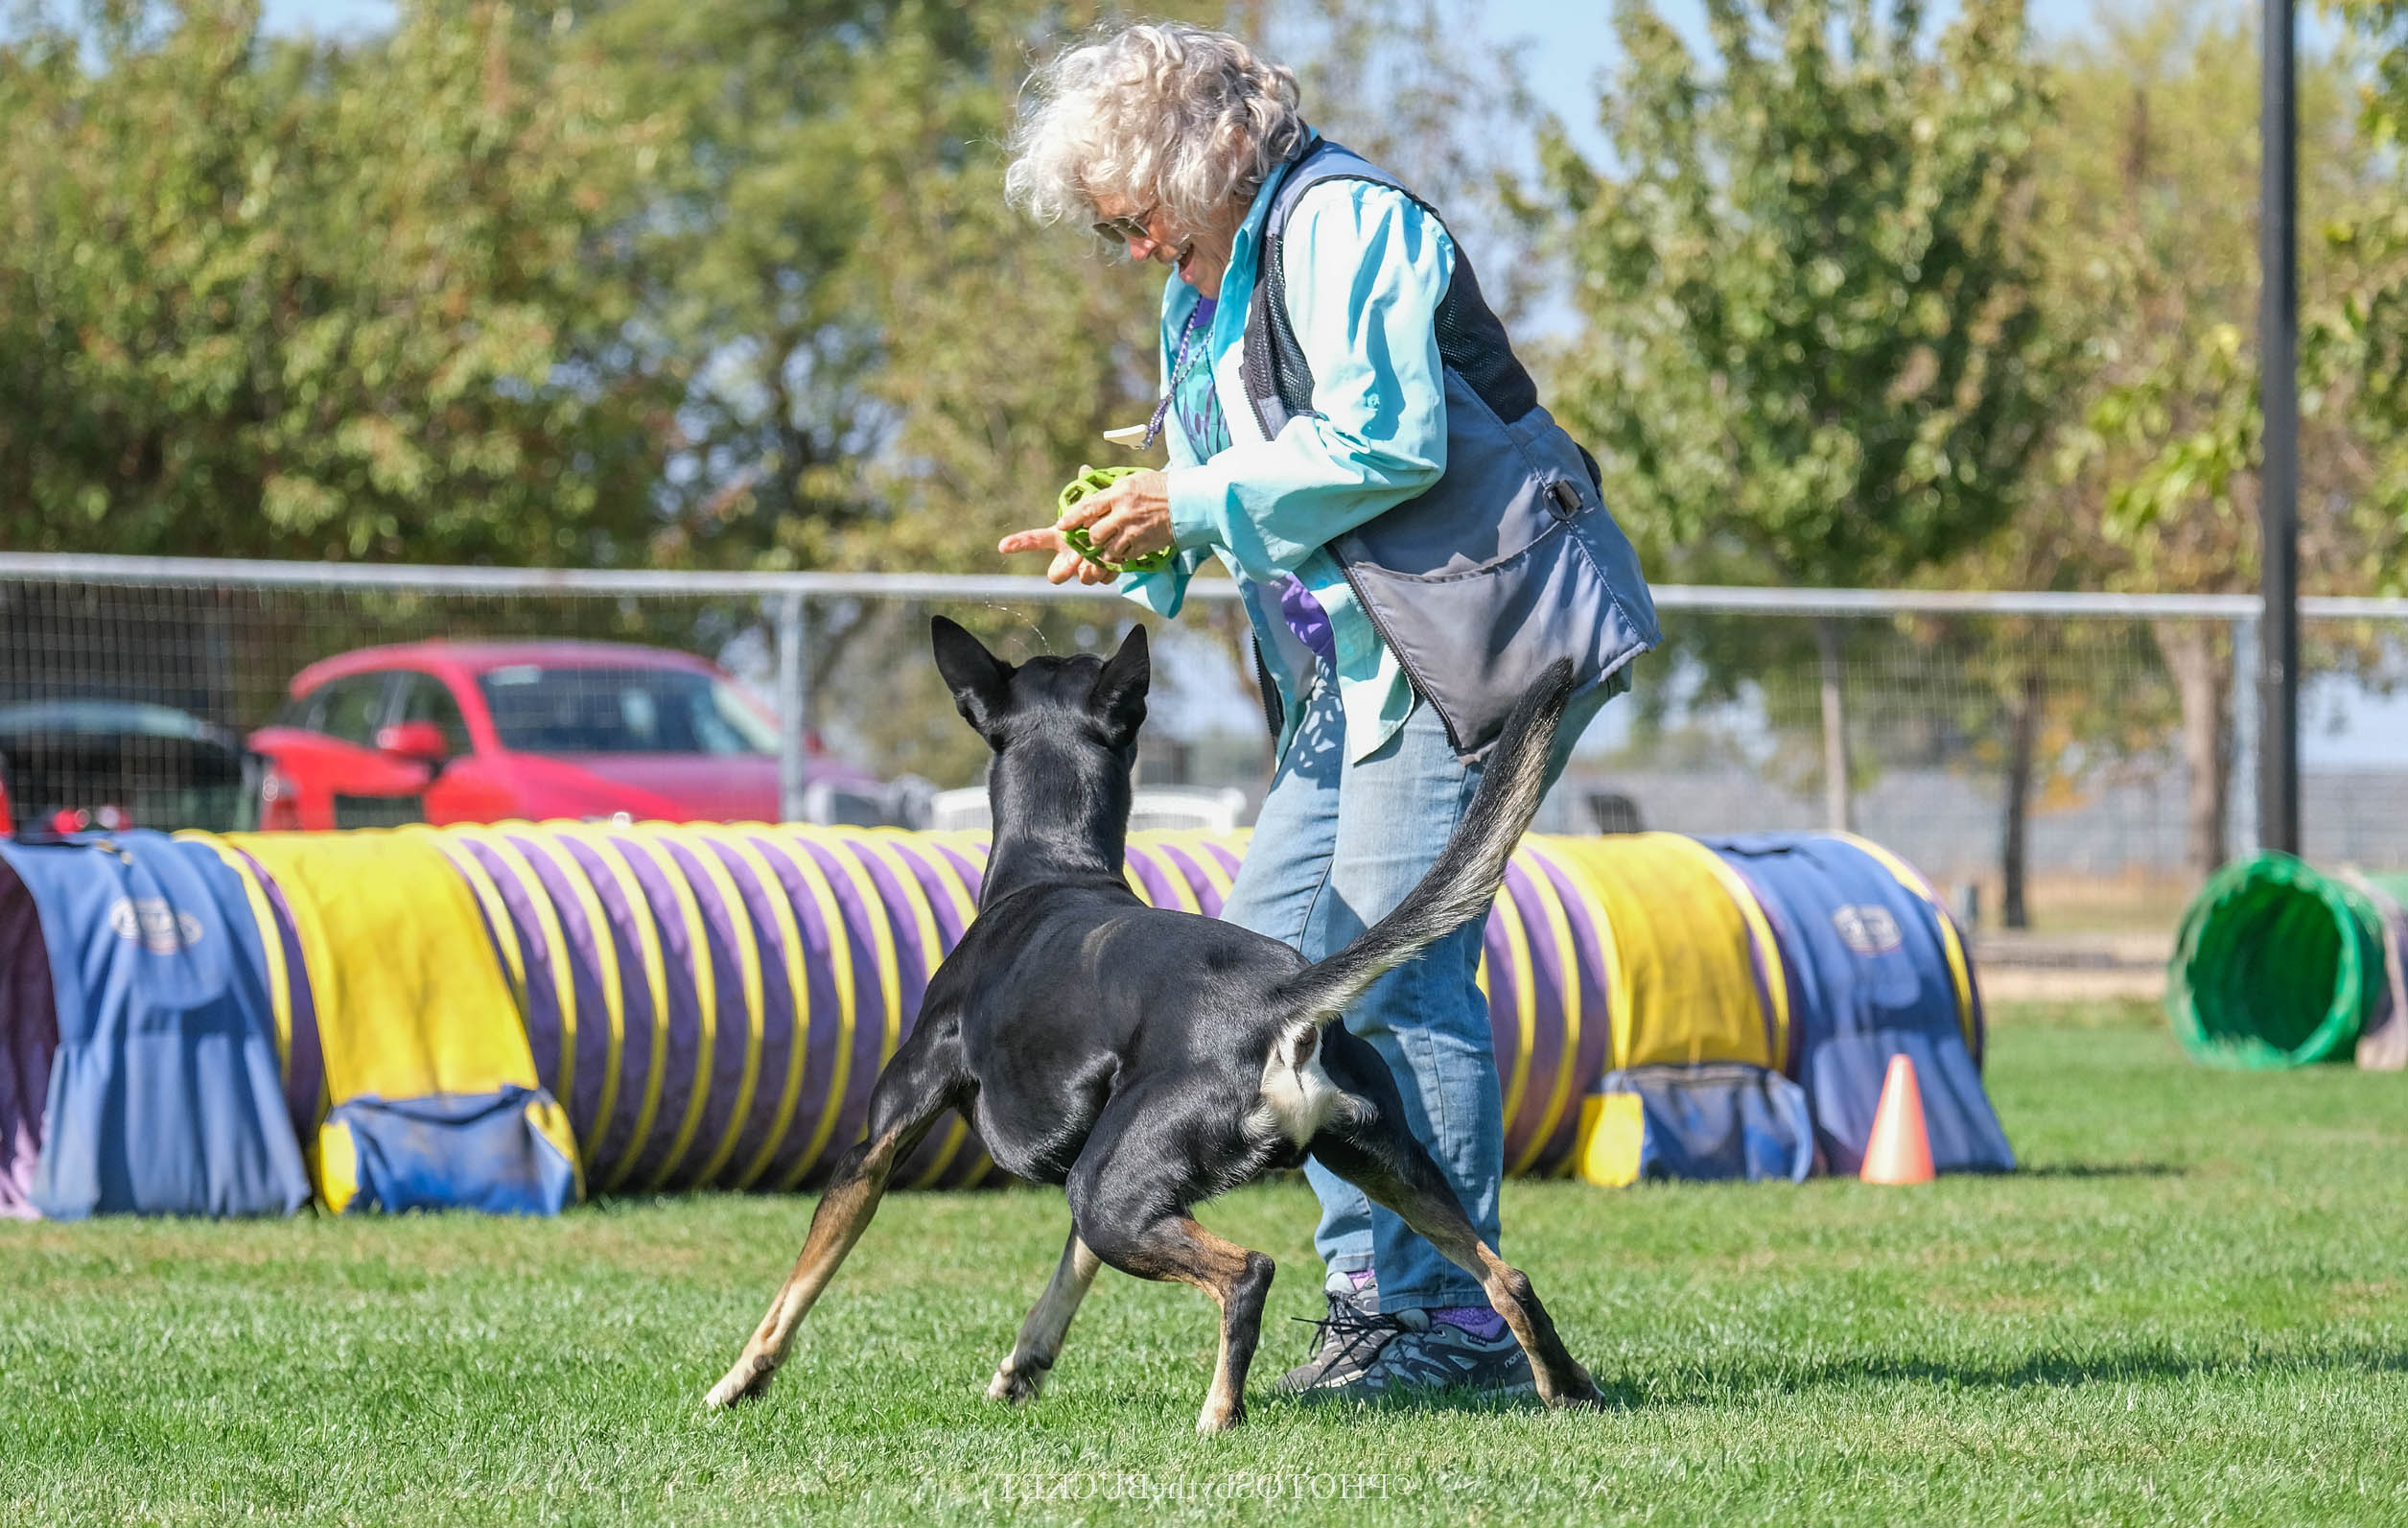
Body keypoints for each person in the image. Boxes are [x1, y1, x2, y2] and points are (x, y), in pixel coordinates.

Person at [999, 21, 1657, 1400]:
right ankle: (1373, 1302)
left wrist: (1182, 498)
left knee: (1394, 972)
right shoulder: (1203, 279)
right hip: (1341, 672)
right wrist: (1148, 541)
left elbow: (1382, 441)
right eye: (1113, 230)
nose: (1130, 250)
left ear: (1198, 161)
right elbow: (1242, 477)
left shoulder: (1345, 223)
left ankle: (1433, 1322)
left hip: (1469, 636)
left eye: (1135, 217)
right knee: (1262, 979)